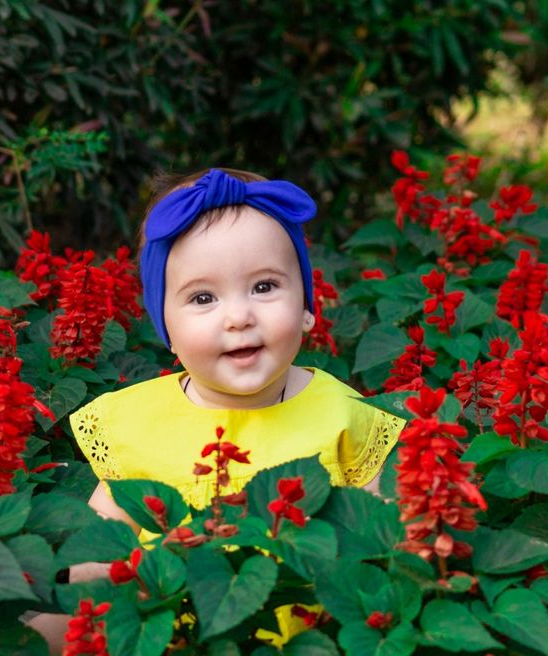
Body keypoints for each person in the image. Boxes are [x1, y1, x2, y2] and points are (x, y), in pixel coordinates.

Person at [26, 167, 406, 653]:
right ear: (166, 328)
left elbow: (382, 533)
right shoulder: (137, 422)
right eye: (203, 298)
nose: (239, 317)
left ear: (308, 305)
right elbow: (100, 548)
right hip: (167, 630)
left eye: (265, 287)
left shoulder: (341, 413)